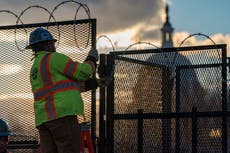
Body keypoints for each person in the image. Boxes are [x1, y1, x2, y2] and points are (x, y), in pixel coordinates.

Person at [26, 27, 98, 153]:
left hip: (44, 120)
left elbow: (62, 88)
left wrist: (95, 83)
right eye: (52, 43)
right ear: (47, 44)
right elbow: (83, 72)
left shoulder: (35, 68)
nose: (53, 46)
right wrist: (92, 59)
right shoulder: (53, 58)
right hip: (62, 116)